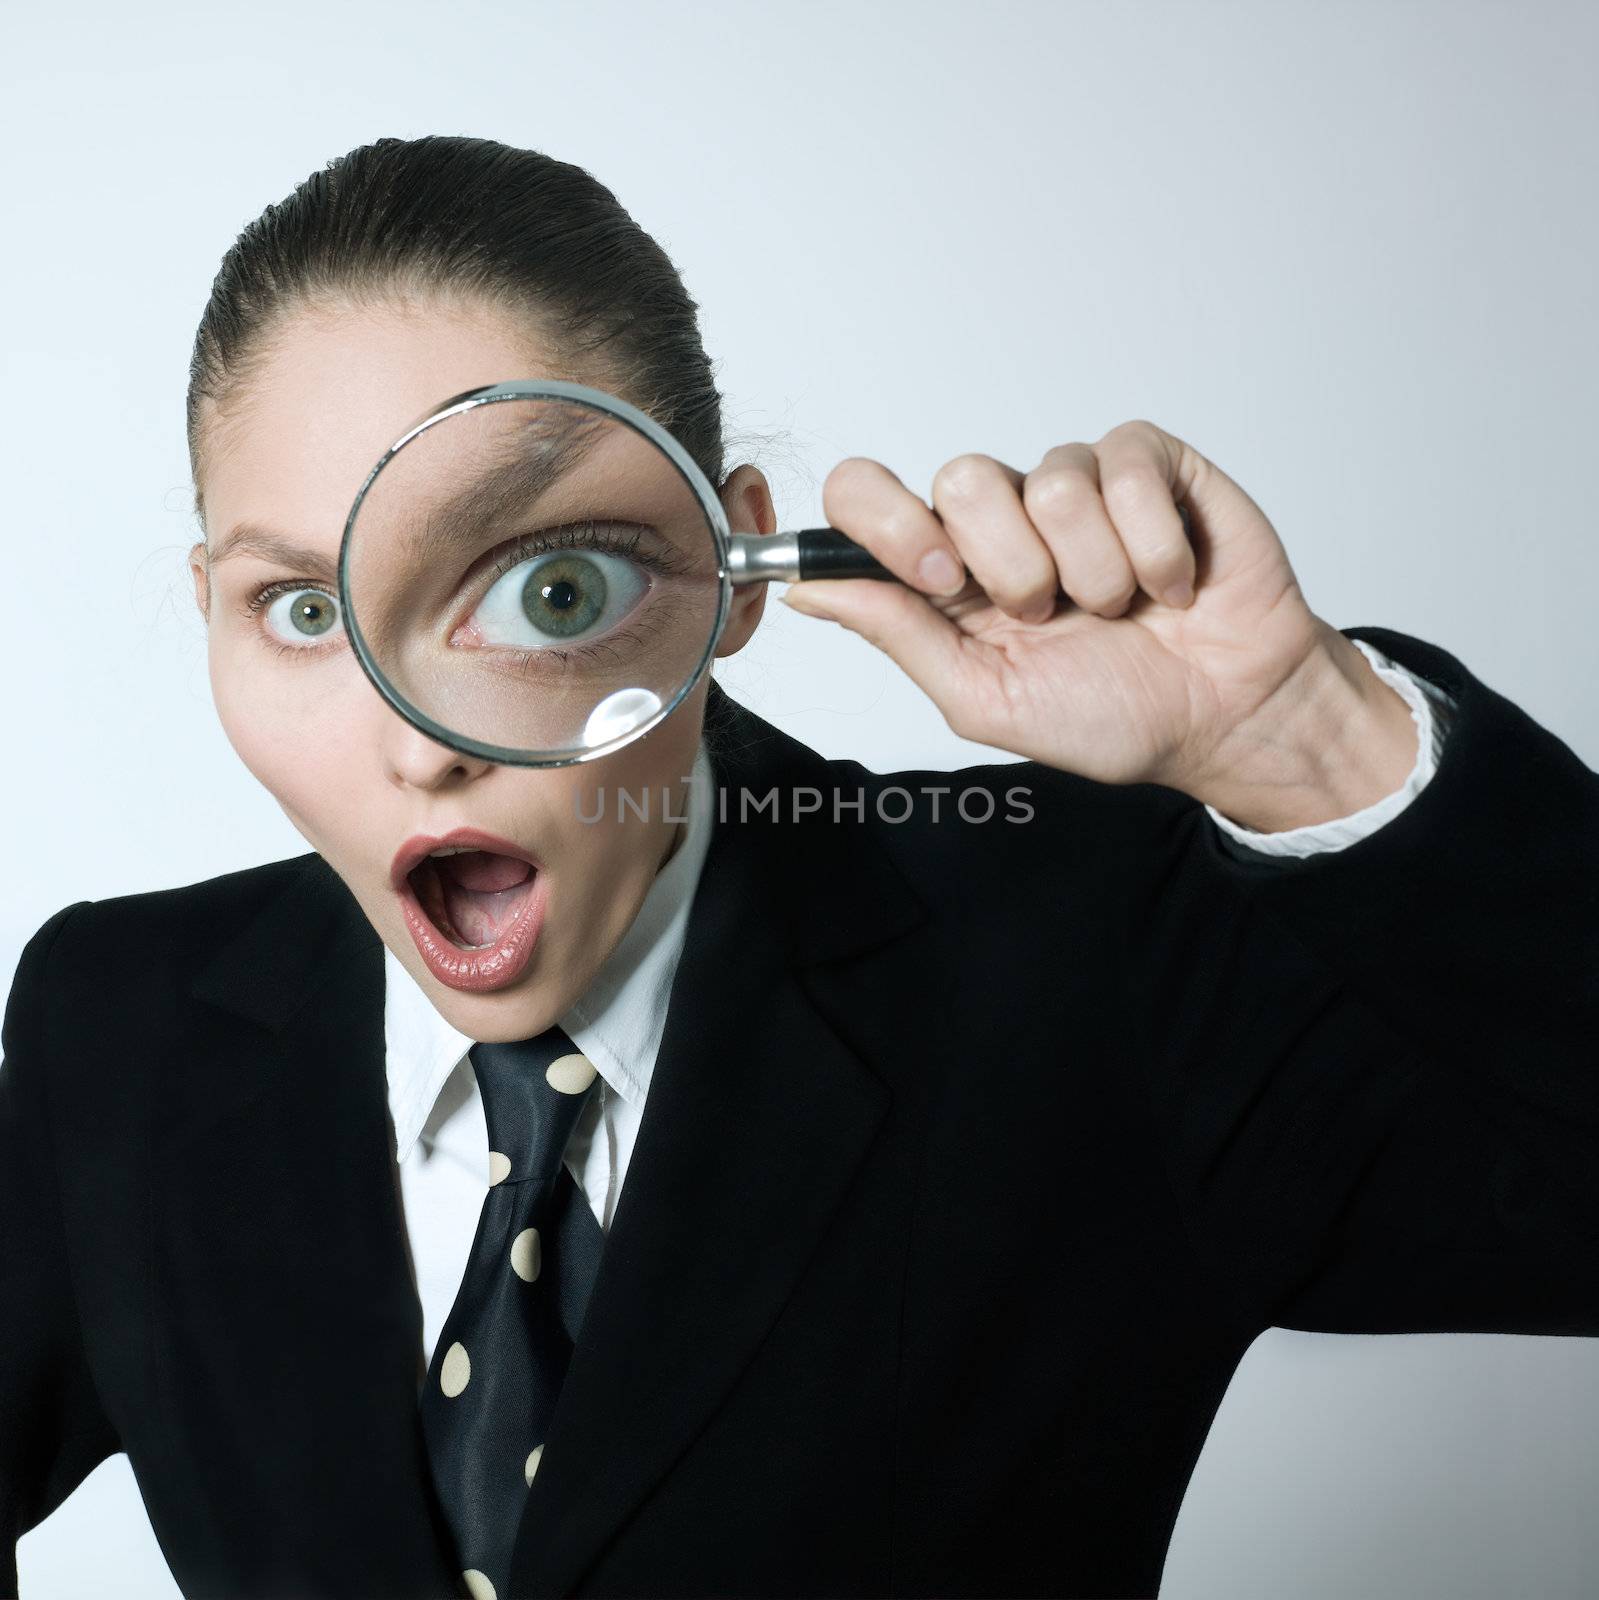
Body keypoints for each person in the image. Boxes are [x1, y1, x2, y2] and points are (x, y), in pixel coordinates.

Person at [1, 134, 1593, 1600]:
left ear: (727, 564)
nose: (420, 747)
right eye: (301, 612)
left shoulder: (1086, 962)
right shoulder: (118, 1022)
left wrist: (1310, 736)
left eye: (551, 591)